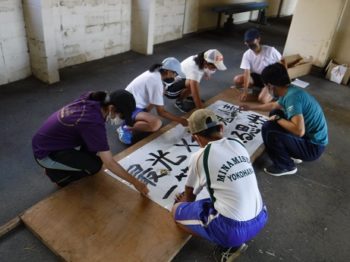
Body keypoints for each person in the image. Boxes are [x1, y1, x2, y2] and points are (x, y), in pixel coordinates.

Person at [172, 109, 268, 260]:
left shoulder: (200, 156)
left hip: (232, 230)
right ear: (221, 128)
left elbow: (190, 194)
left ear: (195, 137)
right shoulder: (238, 143)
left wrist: (184, 206)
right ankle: (229, 237)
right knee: (220, 196)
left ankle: (229, 245)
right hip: (261, 215)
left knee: (177, 211)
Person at [32, 90, 149, 195]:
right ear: (112, 108)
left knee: (93, 150)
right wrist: (135, 183)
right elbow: (109, 163)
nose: (119, 118)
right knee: (95, 166)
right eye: (120, 115)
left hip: (47, 141)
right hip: (46, 154)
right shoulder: (93, 123)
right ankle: (57, 175)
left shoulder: (92, 98)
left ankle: (66, 164)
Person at [240, 63, 328, 176]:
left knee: (269, 128)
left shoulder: (292, 98)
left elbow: (299, 131)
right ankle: (292, 152)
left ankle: (286, 166)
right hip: (311, 140)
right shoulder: (289, 90)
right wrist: (250, 107)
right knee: (275, 112)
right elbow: (273, 106)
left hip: (312, 148)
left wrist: (277, 119)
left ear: (270, 86)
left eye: (266, 86)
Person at [116, 57, 188, 144]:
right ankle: (126, 127)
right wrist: (181, 120)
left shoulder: (155, 73)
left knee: (161, 93)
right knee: (156, 124)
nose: (175, 77)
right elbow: (161, 112)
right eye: (175, 74)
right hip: (127, 107)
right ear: (168, 71)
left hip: (132, 103)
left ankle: (137, 118)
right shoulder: (156, 81)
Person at [233, 28, 286, 103]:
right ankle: (262, 89)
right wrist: (245, 91)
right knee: (237, 80)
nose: (250, 43)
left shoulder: (271, 50)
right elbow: (247, 73)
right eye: (247, 42)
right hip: (257, 76)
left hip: (270, 79)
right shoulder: (247, 54)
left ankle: (275, 92)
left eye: (252, 41)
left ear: (258, 39)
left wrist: (284, 75)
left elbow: (283, 60)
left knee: (262, 100)